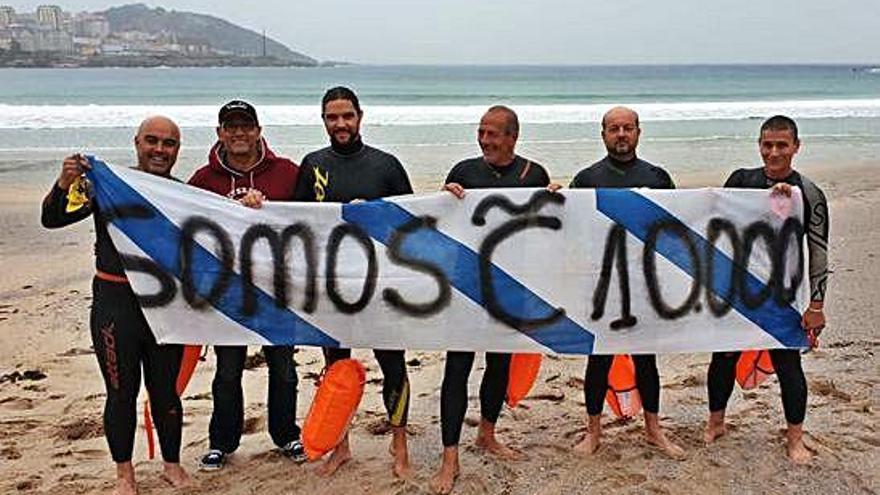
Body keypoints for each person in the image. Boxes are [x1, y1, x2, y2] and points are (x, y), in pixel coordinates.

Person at [41, 116, 191, 494]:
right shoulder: (107, 187)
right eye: (151, 141)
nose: (159, 150)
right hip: (115, 305)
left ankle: (171, 465)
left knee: (165, 392)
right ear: (136, 143)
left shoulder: (182, 195)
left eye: (168, 144)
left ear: (178, 149)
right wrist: (64, 183)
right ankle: (125, 473)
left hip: (164, 307)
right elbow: (52, 218)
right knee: (121, 392)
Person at [430, 105, 558, 494]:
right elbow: (442, 225)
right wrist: (442, 197)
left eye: (493, 134)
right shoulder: (463, 173)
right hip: (466, 286)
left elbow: (547, 231)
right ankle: (450, 456)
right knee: (457, 367)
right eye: (481, 132)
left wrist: (556, 201)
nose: (485, 140)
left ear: (512, 138)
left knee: (499, 364)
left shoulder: (534, 175)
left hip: (509, 287)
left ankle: (487, 432)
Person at [294, 86, 414, 478]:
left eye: (347, 116)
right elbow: (296, 224)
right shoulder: (312, 164)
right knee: (336, 369)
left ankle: (399, 444)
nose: (340, 124)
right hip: (333, 286)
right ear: (323, 120)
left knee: (393, 365)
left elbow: (410, 224)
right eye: (332, 117)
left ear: (360, 117)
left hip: (380, 286)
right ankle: (341, 445)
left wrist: (376, 216)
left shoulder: (386, 166)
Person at [189, 100, 306, 470]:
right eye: (230, 126)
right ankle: (221, 442)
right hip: (227, 293)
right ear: (220, 132)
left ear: (258, 130)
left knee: (284, 368)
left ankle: (286, 434)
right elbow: (181, 221)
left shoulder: (287, 172)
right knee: (227, 370)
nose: (239, 132)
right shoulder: (204, 180)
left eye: (246, 125)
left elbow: (315, 219)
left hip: (278, 290)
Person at [704, 115, 828, 464]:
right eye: (767, 145)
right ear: (759, 145)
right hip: (738, 290)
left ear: (796, 147)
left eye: (782, 145)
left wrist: (816, 305)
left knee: (788, 364)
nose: (774, 152)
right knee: (723, 357)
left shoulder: (809, 193)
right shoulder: (742, 180)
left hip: (782, 297)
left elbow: (819, 250)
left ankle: (795, 438)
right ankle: (716, 422)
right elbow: (711, 218)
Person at [569, 106, 685, 459]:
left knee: (646, 359)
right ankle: (593, 432)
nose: (621, 134)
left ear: (638, 132)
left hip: (643, 283)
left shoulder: (658, 177)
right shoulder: (586, 179)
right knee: (598, 358)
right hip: (602, 284)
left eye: (628, 128)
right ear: (603, 134)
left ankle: (653, 429)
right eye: (614, 128)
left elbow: (674, 230)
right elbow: (568, 229)